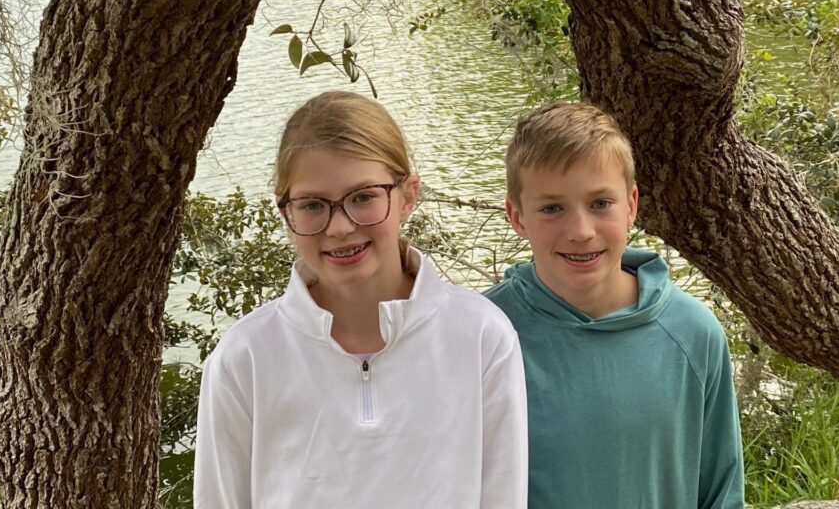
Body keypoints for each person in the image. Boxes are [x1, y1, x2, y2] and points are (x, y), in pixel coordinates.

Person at [194, 90, 528, 509]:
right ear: (286, 214)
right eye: (313, 205)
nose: (339, 227)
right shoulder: (245, 357)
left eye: (363, 197)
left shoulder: (481, 335)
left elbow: (502, 496)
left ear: (407, 195)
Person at [486, 102, 744, 509]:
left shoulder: (693, 333)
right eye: (552, 208)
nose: (580, 231)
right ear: (517, 217)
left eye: (600, 204)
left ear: (631, 205)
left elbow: (721, 492)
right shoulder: (485, 334)